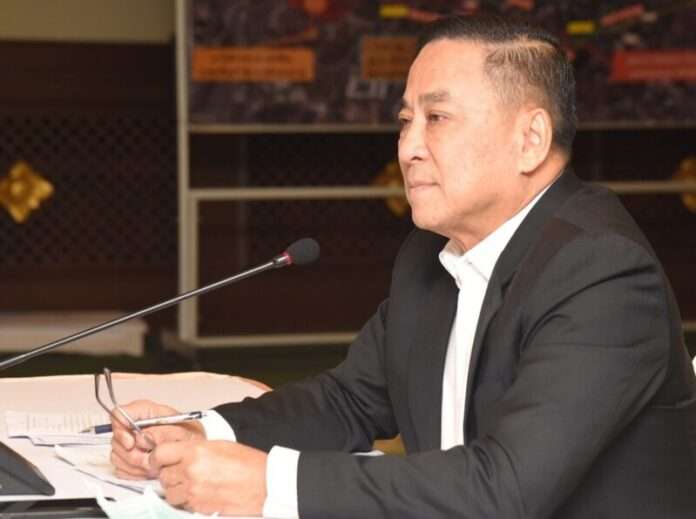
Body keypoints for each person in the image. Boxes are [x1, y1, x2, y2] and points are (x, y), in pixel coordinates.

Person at [110, 14, 696, 519]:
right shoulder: (430, 253)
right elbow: (348, 400)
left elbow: (505, 489)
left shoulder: (602, 273)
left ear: (530, 139)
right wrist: (199, 431)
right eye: (405, 120)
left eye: (436, 118)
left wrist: (268, 484)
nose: (408, 147)